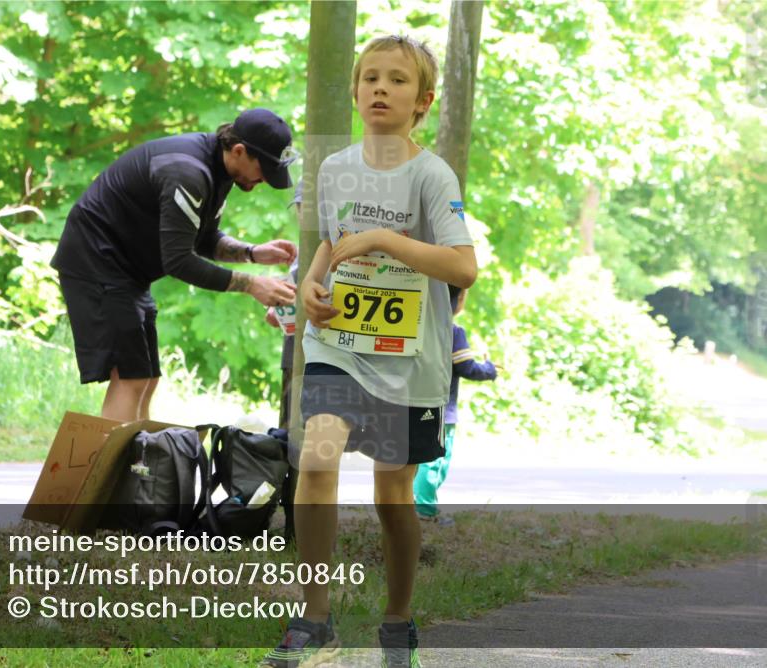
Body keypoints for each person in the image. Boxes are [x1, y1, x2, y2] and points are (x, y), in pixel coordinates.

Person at [261, 35, 477, 668]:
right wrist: (308, 282)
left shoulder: (432, 174)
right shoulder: (333, 170)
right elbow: (332, 243)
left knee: (392, 496)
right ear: (356, 92)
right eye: (371, 78)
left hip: (411, 357)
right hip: (340, 343)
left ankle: (397, 619)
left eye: (398, 81)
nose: (381, 88)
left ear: (423, 101)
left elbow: (464, 267)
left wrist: (388, 238)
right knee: (319, 452)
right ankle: (315, 617)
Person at [50, 109, 299, 422]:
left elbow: (202, 238)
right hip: (96, 262)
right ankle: (116, 470)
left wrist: (251, 253)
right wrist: (251, 285)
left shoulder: (219, 170)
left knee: (146, 379)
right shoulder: (188, 172)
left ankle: (138, 463)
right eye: (264, 170)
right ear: (239, 151)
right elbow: (179, 260)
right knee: (130, 378)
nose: (263, 180)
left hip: (128, 272)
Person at [413, 286, 497, 525]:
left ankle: (415, 503)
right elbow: (466, 367)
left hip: (413, 402)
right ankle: (424, 510)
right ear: (459, 299)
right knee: (436, 460)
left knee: (417, 458)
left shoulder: (417, 326)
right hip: (442, 409)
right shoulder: (453, 331)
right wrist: (489, 370)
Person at [265, 178, 304, 431]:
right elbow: (277, 311)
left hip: (314, 358)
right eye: (301, 209)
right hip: (294, 354)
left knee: (301, 436)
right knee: (291, 435)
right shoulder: (300, 254)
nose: (304, 215)